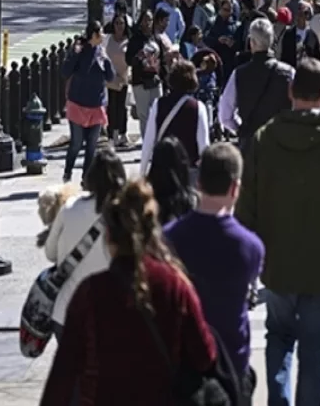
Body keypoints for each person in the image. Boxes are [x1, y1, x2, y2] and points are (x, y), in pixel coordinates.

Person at [236, 57, 320, 406]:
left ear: (290, 91)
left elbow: (246, 207)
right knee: (315, 349)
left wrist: (243, 266)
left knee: (279, 337)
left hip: (278, 265)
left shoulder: (265, 140)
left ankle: (279, 399)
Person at [41, 181, 219, 406]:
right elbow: (205, 356)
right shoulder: (174, 285)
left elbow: (62, 377)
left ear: (108, 238)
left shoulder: (90, 293)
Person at [165, 143, 264, 400]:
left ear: (198, 182)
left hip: (183, 366)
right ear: (235, 188)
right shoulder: (250, 247)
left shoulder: (168, 238)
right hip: (231, 363)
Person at [40, 150, 127, 338]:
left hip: (67, 312)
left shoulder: (69, 207)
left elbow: (50, 253)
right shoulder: (124, 214)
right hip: (111, 315)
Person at [218, 18, 295, 147]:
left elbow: (225, 115)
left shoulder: (239, 74)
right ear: (271, 41)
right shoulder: (289, 73)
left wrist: (241, 129)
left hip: (251, 144)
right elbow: (297, 108)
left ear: (251, 42)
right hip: (281, 144)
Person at [61, 20, 115, 183]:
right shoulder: (80, 50)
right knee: (76, 143)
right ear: (93, 35)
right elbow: (65, 71)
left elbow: (110, 77)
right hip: (78, 103)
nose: (103, 36)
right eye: (100, 33)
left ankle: (86, 178)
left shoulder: (101, 52)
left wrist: (106, 60)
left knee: (92, 145)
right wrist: (75, 54)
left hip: (96, 104)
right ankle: (68, 171)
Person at [140, 60, 210, 175]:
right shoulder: (198, 107)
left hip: (163, 170)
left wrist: (142, 172)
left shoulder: (159, 104)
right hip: (188, 171)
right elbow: (203, 145)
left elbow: (148, 141)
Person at [126, 8, 165, 142]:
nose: (148, 22)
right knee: (144, 115)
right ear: (141, 22)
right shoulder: (135, 40)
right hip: (140, 81)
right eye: (145, 19)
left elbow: (163, 60)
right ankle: (146, 143)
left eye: (150, 19)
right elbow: (128, 60)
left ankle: (157, 142)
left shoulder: (157, 38)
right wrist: (138, 57)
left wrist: (164, 78)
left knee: (157, 112)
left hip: (155, 80)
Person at [105, 13, 131, 148]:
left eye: (122, 23)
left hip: (124, 78)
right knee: (111, 107)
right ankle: (111, 135)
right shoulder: (108, 39)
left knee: (122, 107)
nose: (119, 26)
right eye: (117, 23)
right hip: (110, 78)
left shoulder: (128, 40)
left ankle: (123, 133)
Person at [278, 1, 320, 68]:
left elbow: (317, 57)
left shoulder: (312, 35)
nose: (302, 16)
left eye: (305, 13)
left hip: (306, 72)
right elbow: (283, 54)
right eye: (299, 12)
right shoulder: (289, 33)